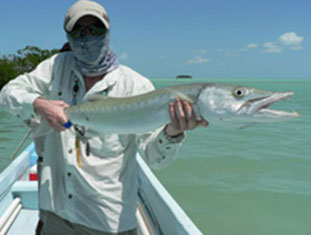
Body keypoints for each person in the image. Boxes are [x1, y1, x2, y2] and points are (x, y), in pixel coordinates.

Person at [0, 0, 208, 234]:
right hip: (55, 212)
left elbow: (156, 158)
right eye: (79, 31)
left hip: (106, 220)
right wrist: (39, 105)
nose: (88, 36)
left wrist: (173, 133)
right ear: (68, 36)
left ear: (108, 32)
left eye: (95, 29)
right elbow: (8, 93)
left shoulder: (136, 86)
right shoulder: (56, 67)